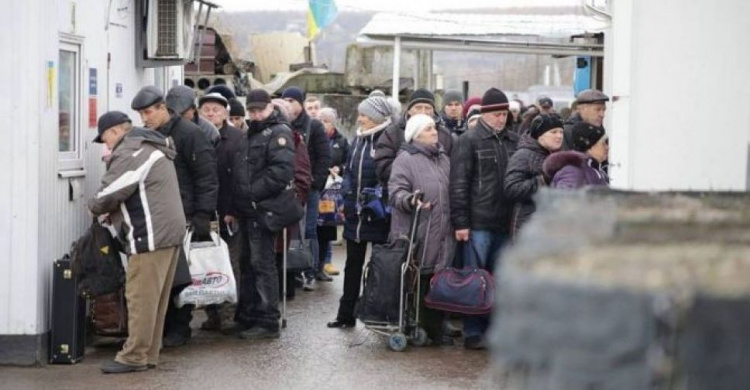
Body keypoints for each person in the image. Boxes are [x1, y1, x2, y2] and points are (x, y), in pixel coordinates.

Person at [88, 111, 185, 373]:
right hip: (168, 233)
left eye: (105, 138)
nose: (106, 145)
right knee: (156, 300)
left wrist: (94, 206)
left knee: (140, 298)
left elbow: (107, 194)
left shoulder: (132, 150)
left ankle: (133, 357)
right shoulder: (150, 146)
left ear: (116, 131)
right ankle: (148, 353)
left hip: (150, 235)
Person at [131, 85, 219, 348]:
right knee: (162, 276)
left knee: (181, 276)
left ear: (162, 108)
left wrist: (204, 213)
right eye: (141, 115)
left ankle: (180, 326)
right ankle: (166, 326)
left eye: (148, 112)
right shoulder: (150, 135)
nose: (145, 119)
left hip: (185, 214)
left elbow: (206, 176)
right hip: (157, 214)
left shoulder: (190, 134)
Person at [449, 87, 519, 349]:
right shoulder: (468, 141)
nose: (501, 119)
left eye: (504, 114)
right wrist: (461, 223)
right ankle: (473, 331)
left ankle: (493, 329)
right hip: (477, 222)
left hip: (505, 221)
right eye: (497, 114)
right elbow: (458, 184)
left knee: (498, 279)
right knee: (475, 279)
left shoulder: (513, 141)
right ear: (486, 114)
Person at [231, 89, 296, 339]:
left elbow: (280, 173)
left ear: (270, 107)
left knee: (262, 263)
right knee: (248, 263)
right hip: (250, 209)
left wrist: (250, 193)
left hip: (264, 209)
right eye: (252, 110)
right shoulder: (252, 132)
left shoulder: (279, 132)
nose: (256, 114)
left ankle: (268, 319)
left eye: (260, 109)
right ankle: (250, 314)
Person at [327, 96, 393, 329]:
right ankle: (345, 315)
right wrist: (346, 191)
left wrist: (374, 197)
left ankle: (376, 314)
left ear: (375, 117)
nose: (360, 118)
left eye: (364, 115)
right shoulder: (358, 140)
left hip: (376, 214)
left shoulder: (387, 139)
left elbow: (389, 175)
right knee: (352, 264)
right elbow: (350, 170)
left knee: (378, 266)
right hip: (355, 214)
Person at [388, 114, 453, 345]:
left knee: (437, 277)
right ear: (416, 135)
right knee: (418, 277)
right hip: (417, 228)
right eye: (428, 129)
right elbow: (395, 191)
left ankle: (434, 327)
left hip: (442, 229)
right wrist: (410, 200)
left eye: (434, 127)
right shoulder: (405, 159)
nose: (434, 132)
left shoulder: (443, 157)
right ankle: (414, 325)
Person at [197, 92, 245, 332]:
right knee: (206, 264)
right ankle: (211, 313)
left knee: (229, 264)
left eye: (216, 109)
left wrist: (233, 209)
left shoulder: (237, 139)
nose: (211, 114)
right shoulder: (197, 135)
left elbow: (241, 178)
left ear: (226, 112)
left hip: (228, 213)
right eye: (206, 109)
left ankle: (229, 314)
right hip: (204, 212)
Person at [282, 87, 332, 291]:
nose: (289, 104)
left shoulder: (314, 126)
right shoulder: (280, 124)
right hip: (285, 189)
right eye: (285, 100)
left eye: (292, 100)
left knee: (309, 230)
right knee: (290, 231)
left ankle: (310, 270)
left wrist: (315, 184)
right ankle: (292, 270)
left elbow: (323, 158)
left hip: (308, 188)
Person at [374, 88, 453, 188]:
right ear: (409, 110)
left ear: (433, 111)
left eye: (428, 108)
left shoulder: (444, 135)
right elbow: (382, 166)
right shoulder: (393, 133)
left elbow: (454, 168)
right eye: (418, 107)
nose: (423, 112)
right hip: (403, 194)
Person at [504, 114, 564, 239]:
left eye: (561, 132)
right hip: (529, 227)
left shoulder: (560, 156)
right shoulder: (523, 155)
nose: (559, 136)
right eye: (553, 132)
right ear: (540, 135)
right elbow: (511, 189)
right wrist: (543, 180)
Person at [317, 107, 349, 278]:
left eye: (327, 121)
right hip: (317, 188)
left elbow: (348, 162)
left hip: (331, 193)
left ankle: (322, 265)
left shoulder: (342, 141)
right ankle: (310, 267)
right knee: (313, 230)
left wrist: (340, 169)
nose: (323, 124)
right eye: (321, 120)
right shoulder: (315, 137)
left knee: (327, 229)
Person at [544, 122, 610, 189]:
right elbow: (564, 198)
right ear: (590, 147)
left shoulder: (595, 169)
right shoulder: (573, 172)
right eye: (603, 143)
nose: (607, 147)